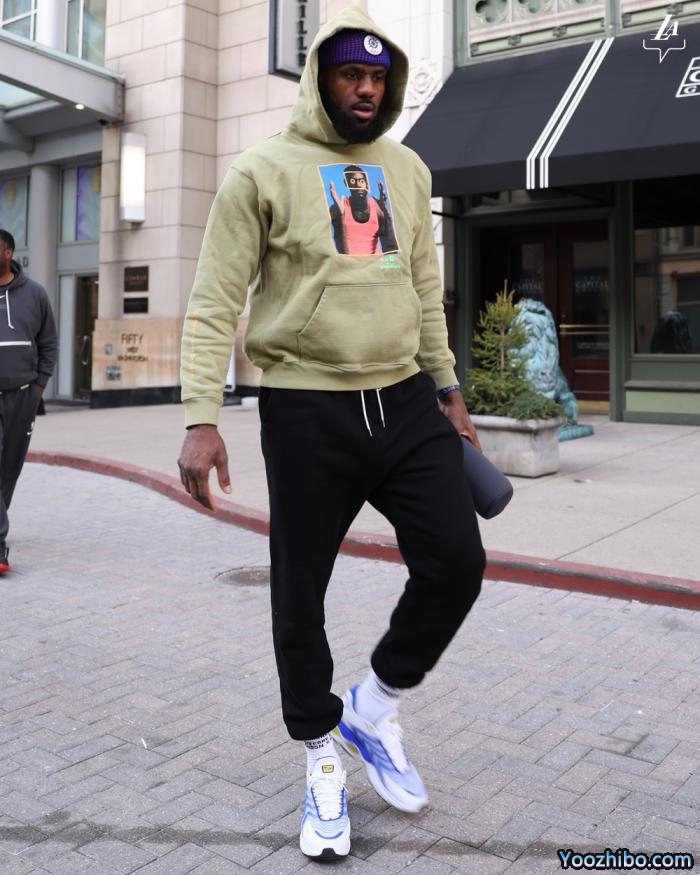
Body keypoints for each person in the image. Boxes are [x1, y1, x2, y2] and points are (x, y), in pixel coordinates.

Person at [178, 8, 485, 860]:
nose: (365, 89)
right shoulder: (260, 171)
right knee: (299, 587)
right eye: (351, 74)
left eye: (378, 77)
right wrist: (201, 415)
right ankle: (319, 747)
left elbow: (424, 288)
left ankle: (373, 708)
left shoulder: (408, 168)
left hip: (405, 399)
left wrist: (449, 388)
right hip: (307, 405)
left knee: (457, 560)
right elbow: (214, 299)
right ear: (321, 78)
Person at [0, 229, 57, 574]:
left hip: (23, 395)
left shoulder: (35, 294)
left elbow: (48, 342)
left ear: (8, 252)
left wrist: (39, 386)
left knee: (10, 466)